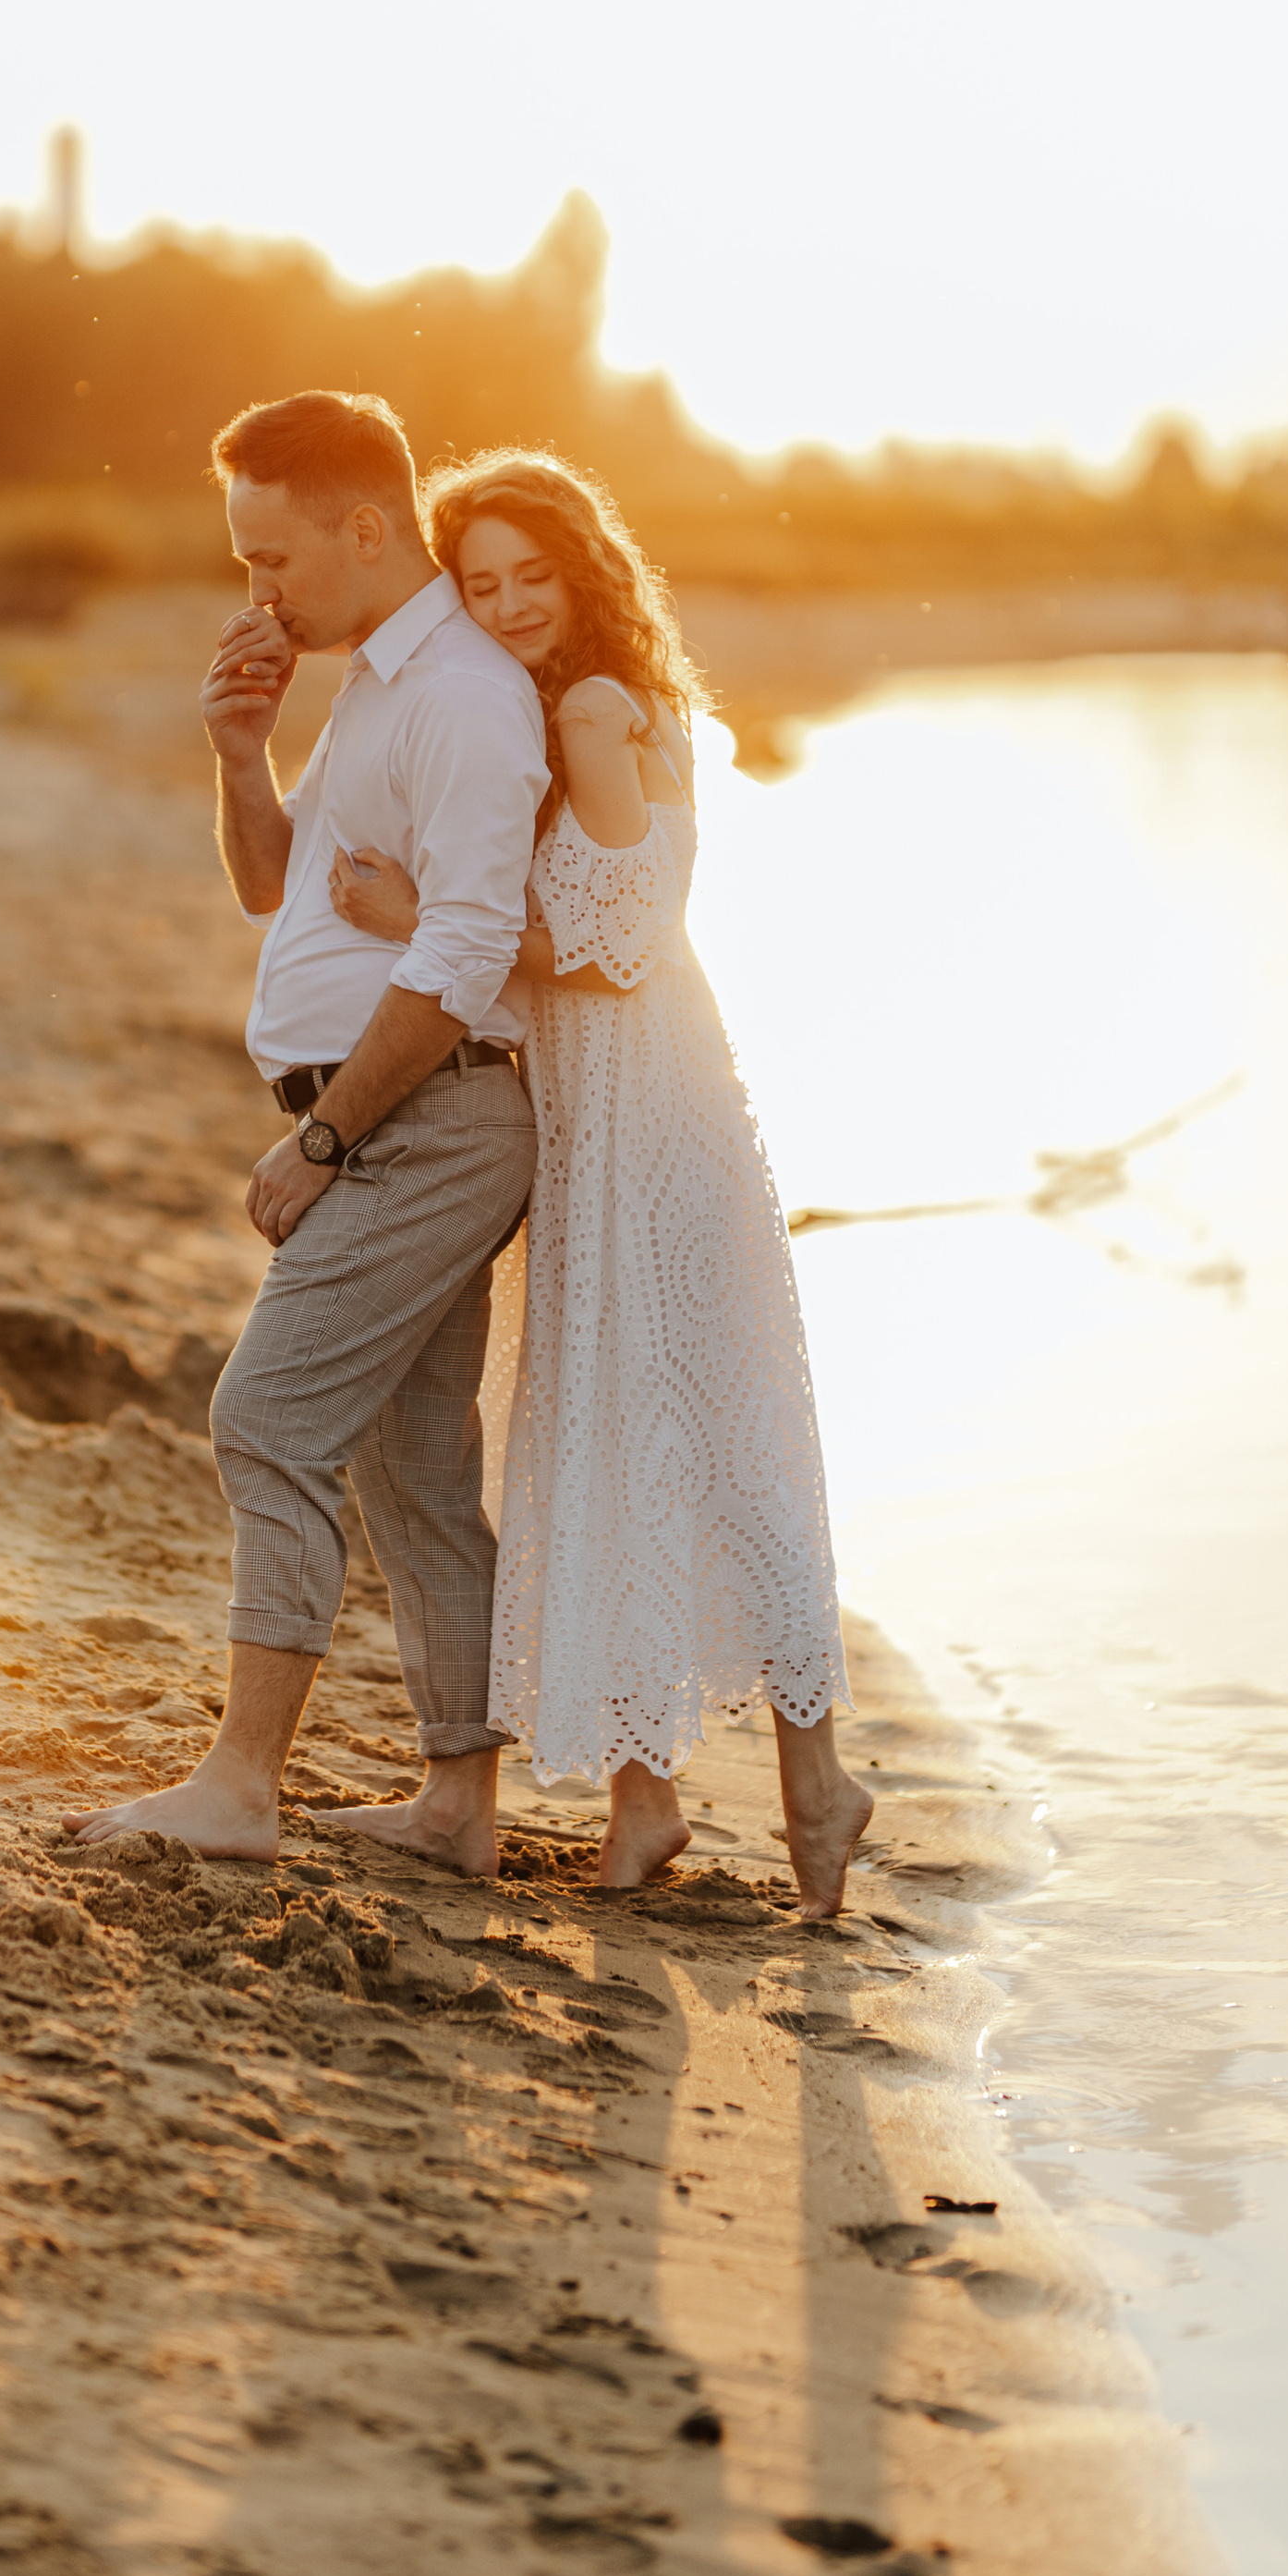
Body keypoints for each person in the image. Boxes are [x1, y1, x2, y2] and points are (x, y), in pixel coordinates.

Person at [328, 448, 870, 1913]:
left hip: (648, 1106)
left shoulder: (584, 708)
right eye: (480, 583)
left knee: (701, 1424)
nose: (505, 606)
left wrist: (421, 913)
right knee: (634, 1425)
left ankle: (817, 1781)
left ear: (584, 573)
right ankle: (652, 1803)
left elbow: (621, 937)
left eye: (530, 577)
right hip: (608, 1103)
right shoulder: (612, 701)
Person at [65, 391, 547, 1877]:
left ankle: (241, 1782)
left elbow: (464, 951)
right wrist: (238, 754)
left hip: (426, 1120)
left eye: (272, 560)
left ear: (364, 526)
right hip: (406, 1116)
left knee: (263, 1421)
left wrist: (322, 1144)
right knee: (409, 1467)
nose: (254, 595)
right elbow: (275, 885)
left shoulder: (463, 695)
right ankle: (459, 1808)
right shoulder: (375, 680)